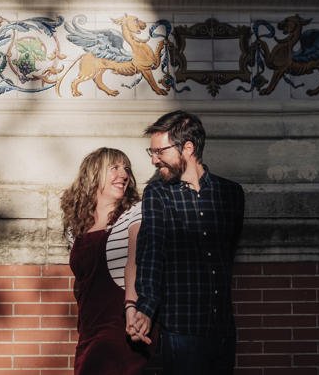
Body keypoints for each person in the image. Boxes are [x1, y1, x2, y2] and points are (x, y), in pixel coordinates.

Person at [128, 110, 245, 374]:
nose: (155, 160)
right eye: (152, 152)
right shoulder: (157, 193)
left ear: (188, 148)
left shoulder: (231, 194)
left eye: (160, 151)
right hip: (181, 329)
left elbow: (227, 251)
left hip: (222, 329)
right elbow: (151, 253)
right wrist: (145, 308)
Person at [61, 147, 149, 375]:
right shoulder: (76, 228)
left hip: (121, 324)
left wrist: (132, 307)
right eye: (114, 168)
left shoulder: (135, 212)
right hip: (89, 327)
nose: (124, 174)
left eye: (126, 168)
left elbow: (135, 262)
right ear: (93, 174)